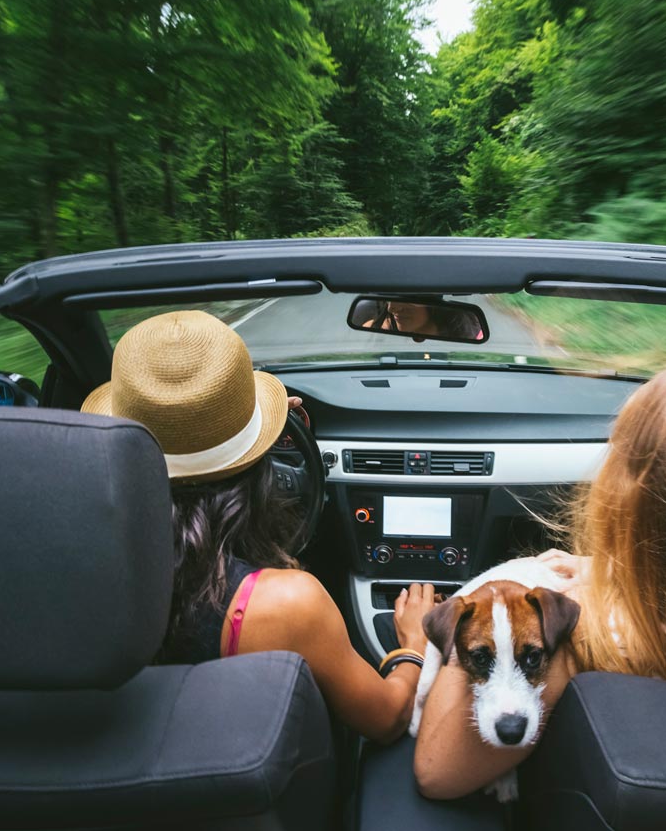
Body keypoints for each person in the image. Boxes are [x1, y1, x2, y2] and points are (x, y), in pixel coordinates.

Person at [413, 358, 666, 796]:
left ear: (629, 509)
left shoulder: (592, 635)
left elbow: (437, 774)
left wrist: (442, 644)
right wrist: (610, 572)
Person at [82, 309, 434, 744]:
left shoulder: (73, 560)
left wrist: (246, 436)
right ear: (258, 464)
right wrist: (414, 644)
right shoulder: (285, 606)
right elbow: (387, 719)